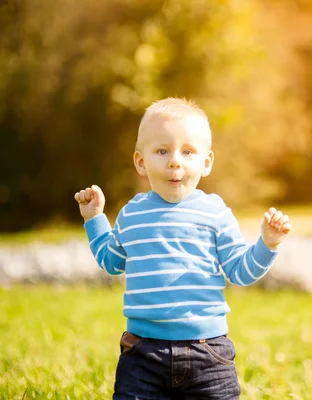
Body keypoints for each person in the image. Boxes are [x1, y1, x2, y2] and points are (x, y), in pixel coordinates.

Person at [74, 97, 292, 399]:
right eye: (162, 151)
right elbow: (111, 262)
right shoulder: (132, 214)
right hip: (143, 354)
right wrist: (95, 219)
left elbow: (240, 271)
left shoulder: (215, 212)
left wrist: (267, 245)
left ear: (206, 163)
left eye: (187, 151)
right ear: (140, 161)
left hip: (209, 353)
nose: (175, 160)